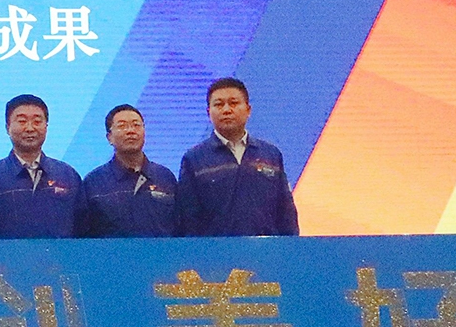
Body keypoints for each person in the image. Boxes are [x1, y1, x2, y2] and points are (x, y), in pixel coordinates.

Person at [178, 77, 298, 236]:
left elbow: (285, 212)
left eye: (233, 103)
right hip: (217, 250)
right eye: (219, 104)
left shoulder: (271, 155)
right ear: (208, 112)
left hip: (265, 248)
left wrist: (290, 245)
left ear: (248, 110)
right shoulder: (194, 159)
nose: (226, 110)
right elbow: (188, 220)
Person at [0, 94, 83, 239]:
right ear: (7, 128)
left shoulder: (68, 175)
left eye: (37, 121)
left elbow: (82, 231)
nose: (30, 128)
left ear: (46, 127)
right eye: (22, 121)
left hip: (58, 255)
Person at [79, 104, 177, 238]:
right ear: (109, 137)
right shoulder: (93, 182)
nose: (131, 131)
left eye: (136, 125)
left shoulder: (165, 177)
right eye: (122, 126)